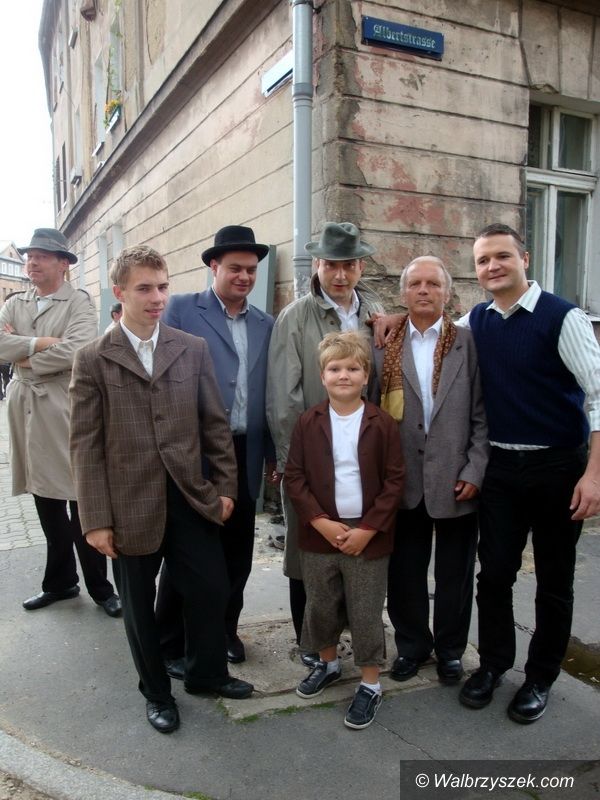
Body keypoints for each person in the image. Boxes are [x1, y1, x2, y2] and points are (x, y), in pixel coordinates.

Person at [69, 245, 254, 734]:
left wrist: (225, 487)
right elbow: (85, 446)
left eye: (163, 287)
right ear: (119, 292)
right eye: (145, 288)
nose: (157, 298)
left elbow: (214, 425)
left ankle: (207, 674)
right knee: (138, 606)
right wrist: (95, 520)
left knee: (211, 588)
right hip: (128, 505)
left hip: (190, 497)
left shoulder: (190, 348)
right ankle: (156, 692)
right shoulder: (93, 359)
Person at [457, 223, 600, 723]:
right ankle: (494, 664)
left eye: (502, 256)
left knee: (554, 580)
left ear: (525, 258)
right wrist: (390, 318)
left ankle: (540, 676)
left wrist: (593, 476)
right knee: (494, 573)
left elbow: (599, 396)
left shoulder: (563, 318)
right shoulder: (477, 320)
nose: (492, 266)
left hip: (558, 467)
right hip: (501, 468)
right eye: (483, 260)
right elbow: (432, 333)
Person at [155, 224, 275, 674]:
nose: (244, 277)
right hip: (194, 451)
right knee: (186, 550)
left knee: (237, 551)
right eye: (235, 268)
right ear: (214, 267)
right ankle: (170, 639)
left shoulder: (266, 323)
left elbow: (270, 392)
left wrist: (273, 455)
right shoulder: (182, 309)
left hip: (245, 451)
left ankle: (226, 630)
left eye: (251, 270)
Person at [266, 222, 385, 666]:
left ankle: (352, 633)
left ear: (360, 267)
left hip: (363, 451)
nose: (340, 274)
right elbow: (284, 395)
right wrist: (292, 463)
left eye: (348, 264)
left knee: (357, 546)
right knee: (308, 550)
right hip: (313, 456)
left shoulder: (374, 310)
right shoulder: (296, 316)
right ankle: (312, 643)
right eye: (331, 264)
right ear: (317, 264)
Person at [374, 257, 488, 685]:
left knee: (455, 574)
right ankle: (412, 646)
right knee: (405, 571)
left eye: (433, 284)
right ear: (403, 292)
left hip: (456, 478)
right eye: (416, 283)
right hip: (400, 478)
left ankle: (451, 651)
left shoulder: (468, 343)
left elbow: (482, 414)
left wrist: (475, 469)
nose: (424, 290)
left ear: (447, 292)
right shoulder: (383, 342)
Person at [284, 331, 404, 729]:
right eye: (335, 369)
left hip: (368, 535)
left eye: (353, 368)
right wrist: (320, 522)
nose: (344, 376)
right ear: (322, 376)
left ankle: (370, 684)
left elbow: (395, 482)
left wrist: (368, 529)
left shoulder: (382, 424)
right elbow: (295, 477)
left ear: (366, 374)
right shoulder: (308, 422)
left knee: (365, 609)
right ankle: (329, 663)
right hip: (320, 532)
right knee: (321, 604)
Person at [0, 228, 119, 616]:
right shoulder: (16, 303)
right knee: (45, 501)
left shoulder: (78, 301)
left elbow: (78, 349)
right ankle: (60, 583)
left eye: (41, 256)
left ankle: (101, 588)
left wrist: (22, 355)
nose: (31, 262)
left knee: (81, 500)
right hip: (26, 410)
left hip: (62, 408)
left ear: (63, 264)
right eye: (29, 256)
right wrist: (40, 344)